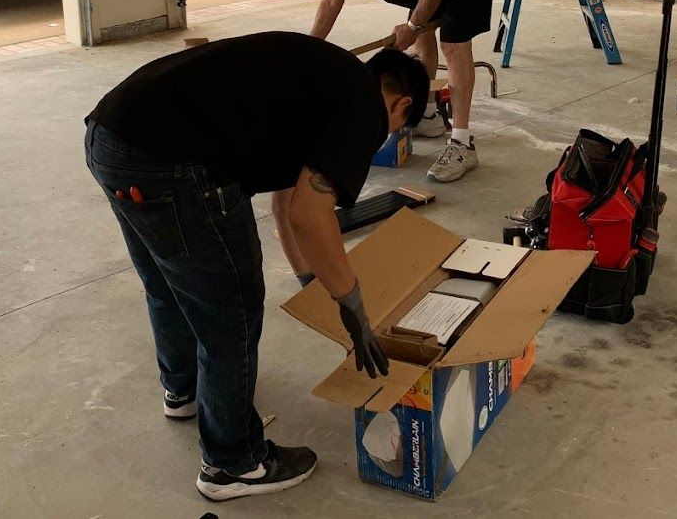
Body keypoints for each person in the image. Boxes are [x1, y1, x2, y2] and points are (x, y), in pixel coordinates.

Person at [84, 32, 428, 502]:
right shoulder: (364, 110)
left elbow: (286, 205)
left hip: (112, 136)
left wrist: (310, 276)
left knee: (170, 280)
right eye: (398, 127)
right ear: (401, 104)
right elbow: (312, 213)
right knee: (232, 312)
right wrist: (351, 302)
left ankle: (184, 390)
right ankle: (233, 463)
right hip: (175, 163)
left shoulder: (325, 80)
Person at [297, 0, 498, 183]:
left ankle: (462, 144)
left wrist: (413, 25)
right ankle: (427, 115)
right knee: (420, 29)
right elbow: (332, 0)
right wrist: (311, 47)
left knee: (453, 43)